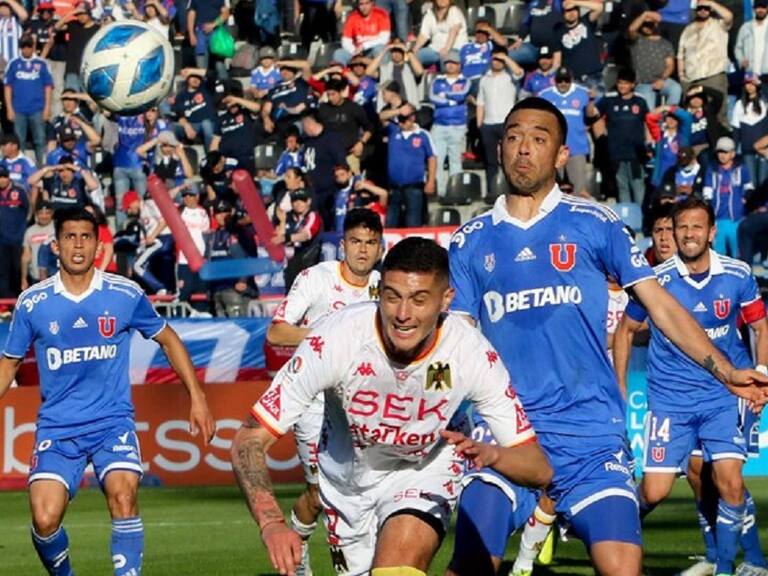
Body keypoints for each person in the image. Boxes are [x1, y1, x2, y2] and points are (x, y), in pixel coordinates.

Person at [447, 97, 768, 575]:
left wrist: (725, 371)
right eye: (513, 137)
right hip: (504, 430)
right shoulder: (469, 240)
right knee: (471, 564)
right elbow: (458, 339)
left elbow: (660, 306)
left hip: (590, 435)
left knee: (621, 568)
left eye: (538, 139)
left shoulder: (594, 223)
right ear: (499, 149)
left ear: (560, 154)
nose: (523, 149)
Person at [231, 236, 553, 576]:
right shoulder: (334, 339)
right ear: (378, 292)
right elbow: (248, 441)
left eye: (419, 300)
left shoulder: (471, 353)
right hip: (346, 488)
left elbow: (539, 468)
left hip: (424, 471)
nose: (402, 314)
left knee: (397, 569)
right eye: (392, 296)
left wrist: (494, 456)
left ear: (446, 300)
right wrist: (270, 523)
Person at [0, 207, 214, 576]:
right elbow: (9, 364)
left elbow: (168, 338)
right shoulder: (33, 303)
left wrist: (198, 397)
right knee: (45, 519)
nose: (78, 245)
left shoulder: (124, 293)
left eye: (86, 237)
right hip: (57, 428)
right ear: (55, 245)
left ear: (98, 245)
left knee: (123, 497)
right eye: (70, 237)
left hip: (112, 423)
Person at [613, 197, 768, 576]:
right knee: (656, 492)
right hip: (671, 401)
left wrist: (761, 372)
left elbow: (760, 326)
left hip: (723, 396)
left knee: (728, 481)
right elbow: (626, 330)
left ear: (712, 232)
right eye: (681, 227)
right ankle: (605, 523)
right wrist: (618, 385)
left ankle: (726, 567)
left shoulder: (737, 275)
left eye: (697, 226)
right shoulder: (656, 282)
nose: (688, 234)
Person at [264, 208, 384, 574]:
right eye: (356, 242)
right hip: (316, 401)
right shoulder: (315, 279)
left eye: (371, 243)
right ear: (343, 244)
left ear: (380, 248)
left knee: (364, 494)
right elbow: (277, 332)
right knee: (323, 493)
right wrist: (328, 338)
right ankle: (300, 558)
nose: (363, 250)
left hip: (365, 403)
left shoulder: (385, 285)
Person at [587, 68, 650, 206]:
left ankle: (641, 220)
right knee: (622, 186)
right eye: (620, 83)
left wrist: (649, 144)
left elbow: (647, 124)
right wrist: (591, 99)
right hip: (616, 152)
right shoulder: (609, 99)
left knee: (638, 186)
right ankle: (628, 221)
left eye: (626, 83)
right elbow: (592, 114)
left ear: (633, 84)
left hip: (636, 153)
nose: (622, 86)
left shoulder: (640, 101)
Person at [676, 0, 732, 125]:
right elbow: (680, 55)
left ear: (710, 9)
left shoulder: (719, 24)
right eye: (700, 8)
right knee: (692, 119)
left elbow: (729, 16)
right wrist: (681, 76)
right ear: (695, 9)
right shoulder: (687, 29)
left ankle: (721, 143)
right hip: (691, 80)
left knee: (718, 116)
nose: (703, 10)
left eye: (706, 8)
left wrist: (710, 2)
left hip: (714, 77)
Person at [4, 35, 53, 165]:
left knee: (40, 139)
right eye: (23, 47)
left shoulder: (42, 64)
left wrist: (47, 108)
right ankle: (21, 167)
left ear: (33, 47)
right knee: (19, 141)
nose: (26, 49)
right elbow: (8, 87)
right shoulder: (13, 64)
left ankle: (42, 167)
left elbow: (48, 87)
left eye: (28, 46)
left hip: (37, 108)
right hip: (18, 109)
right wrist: (9, 108)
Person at [702, 136, 754, 257]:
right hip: (718, 220)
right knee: (719, 256)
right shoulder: (712, 169)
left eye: (725, 152)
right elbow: (707, 191)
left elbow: (749, 187)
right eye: (719, 151)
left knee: (737, 255)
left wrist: (744, 199)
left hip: (736, 219)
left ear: (732, 153)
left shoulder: (741, 169)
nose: (722, 155)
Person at [387, 103, 436, 227]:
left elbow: (432, 158)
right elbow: (380, 117)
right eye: (400, 120)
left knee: (413, 221)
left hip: (414, 186)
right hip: (394, 186)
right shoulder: (393, 131)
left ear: (413, 118)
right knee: (391, 222)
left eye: (404, 120)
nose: (401, 123)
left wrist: (430, 181)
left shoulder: (423, 135)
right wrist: (398, 111)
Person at [430, 49, 470, 198]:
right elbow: (432, 97)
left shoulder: (464, 81)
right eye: (448, 63)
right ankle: (440, 192)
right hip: (439, 125)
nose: (450, 65)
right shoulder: (437, 80)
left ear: (459, 65)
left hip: (458, 125)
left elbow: (461, 95)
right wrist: (450, 101)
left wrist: (444, 97)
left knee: (455, 160)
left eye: (454, 63)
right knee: (438, 160)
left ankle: (455, 191)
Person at [628, 11, 682, 110]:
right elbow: (631, 29)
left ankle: (668, 117)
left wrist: (662, 80)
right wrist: (644, 15)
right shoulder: (637, 40)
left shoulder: (665, 44)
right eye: (645, 24)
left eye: (651, 24)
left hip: (662, 80)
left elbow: (670, 65)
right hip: (643, 83)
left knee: (676, 89)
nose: (648, 27)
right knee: (650, 112)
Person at [734, 0, 768, 83]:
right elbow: (738, 48)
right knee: (750, 96)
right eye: (758, 7)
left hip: (766, 73)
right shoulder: (745, 27)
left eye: (763, 7)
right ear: (753, 8)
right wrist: (741, 59)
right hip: (750, 73)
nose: (760, 10)